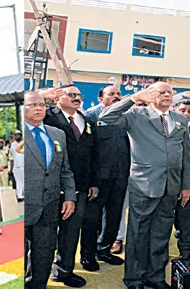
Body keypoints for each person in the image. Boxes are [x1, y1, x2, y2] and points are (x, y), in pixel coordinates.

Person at [100, 82, 190, 289]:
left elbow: (185, 153)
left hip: (171, 187)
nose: (167, 95)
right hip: (144, 185)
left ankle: (156, 277)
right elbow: (106, 118)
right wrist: (133, 98)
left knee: (161, 234)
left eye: (170, 92)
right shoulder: (136, 115)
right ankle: (134, 278)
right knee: (138, 234)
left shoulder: (179, 119)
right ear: (150, 95)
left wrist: (186, 185)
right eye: (162, 92)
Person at [39, 84, 99, 288]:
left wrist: (93, 182)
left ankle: (63, 271)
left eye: (78, 95)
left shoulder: (86, 120)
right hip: (51, 187)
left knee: (71, 233)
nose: (76, 98)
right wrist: (40, 96)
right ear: (58, 97)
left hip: (79, 187)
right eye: (71, 94)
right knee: (45, 236)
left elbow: (93, 155)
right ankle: (38, 277)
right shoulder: (47, 116)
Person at [23, 91, 76, 289]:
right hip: (25, 207)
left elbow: (65, 169)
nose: (38, 108)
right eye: (32, 105)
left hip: (50, 207)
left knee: (44, 255)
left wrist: (70, 196)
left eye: (42, 104)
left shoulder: (57, 135)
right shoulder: (18, 134)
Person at [80, 85, 130, 270]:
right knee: (92, 219)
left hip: (120, 177)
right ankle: (87, 255)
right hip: (98, 179)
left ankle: (104, 250)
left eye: (118, 94)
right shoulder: (91, 117)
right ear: (101, 99)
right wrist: (92, 180)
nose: (116, 97)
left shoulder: (126, 117)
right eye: (111, 94)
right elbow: (87, 150)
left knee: (114, 217)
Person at [172, 99, 190, 261]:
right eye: (182, 110)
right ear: (175, 111)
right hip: (168, 181)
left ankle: (185, 248)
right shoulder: (166, 129)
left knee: (188, 217)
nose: (186, 114)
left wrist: (188, 183)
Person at [10, 130, 25, 200]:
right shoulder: (13, 144)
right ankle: (19, 196)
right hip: (16, 166)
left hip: (24, 165)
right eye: (15, 135)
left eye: (18, 135)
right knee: (18, 181)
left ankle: (24, 194)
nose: (17, 136)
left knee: (24, 181)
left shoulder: (25, 144)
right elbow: (13, 155)